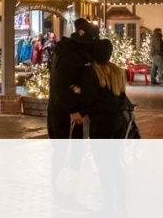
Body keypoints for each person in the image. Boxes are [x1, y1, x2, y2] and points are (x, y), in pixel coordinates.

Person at [48, 19, 99, 213]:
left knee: (64, 155)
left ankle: (61, 195)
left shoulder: (67, 50)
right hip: (66, 116)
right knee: (69, 156)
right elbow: (61, 84)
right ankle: (65, 197)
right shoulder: (72, 54)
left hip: (60, 112)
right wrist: (72, 109)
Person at [75, 42, 129, 215]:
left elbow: (88, 100)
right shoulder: (116, 71)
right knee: (115, 162)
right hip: (118, 122)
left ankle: (108, 203)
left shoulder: (91, 72)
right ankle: (121, 204)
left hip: (101, 123)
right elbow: (122, 98)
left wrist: (78, 108)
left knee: (102, 164)